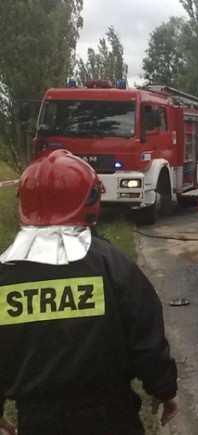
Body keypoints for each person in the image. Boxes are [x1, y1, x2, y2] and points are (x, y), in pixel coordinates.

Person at [0, 149, 178, 435]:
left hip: (37, 421)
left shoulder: (5, 274)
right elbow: (146, 339)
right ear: (91, 199)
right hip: (111, 418)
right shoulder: (113, 265)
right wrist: (164, 390)